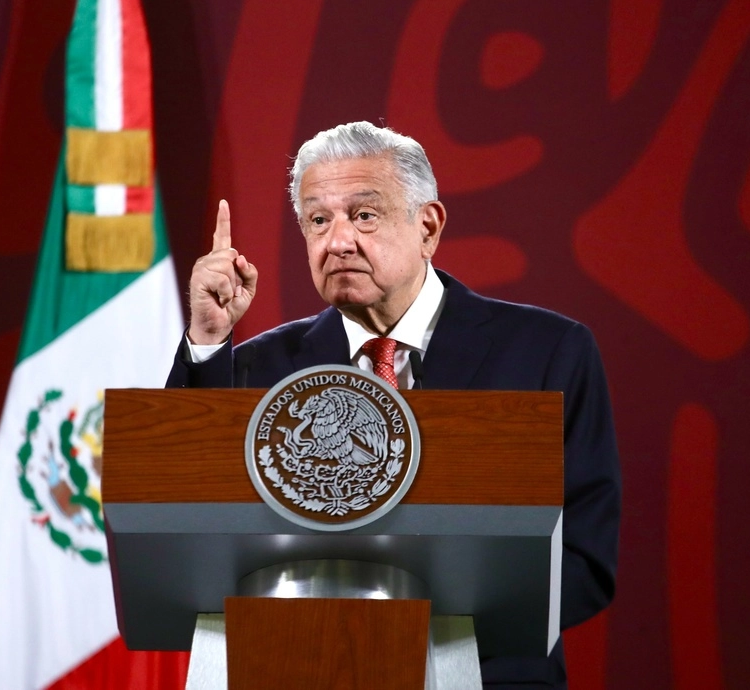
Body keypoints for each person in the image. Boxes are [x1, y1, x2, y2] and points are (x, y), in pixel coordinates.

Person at [167, 121, 620, 688]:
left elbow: (584, 560)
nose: (337, 241)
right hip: (300, 670)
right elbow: (180, 518)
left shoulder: (547, 353)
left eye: (363, 215)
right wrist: (208, 342)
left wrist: (415, 630)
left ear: (427, 226)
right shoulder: (261, 368)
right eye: (317, 220)